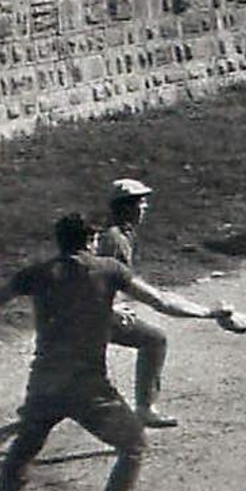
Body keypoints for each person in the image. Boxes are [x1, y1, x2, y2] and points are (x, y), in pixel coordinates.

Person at [0, 212, 246, 491]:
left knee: (22, 453)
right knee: (134, 446)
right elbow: (162, 302)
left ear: (60, 241)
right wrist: (210, 313)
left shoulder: (37, 274)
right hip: (87, 386)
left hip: (43, 382)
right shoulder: (109, 270)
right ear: (91, 240)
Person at [95, 179, 176, 429]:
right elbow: (96, 277)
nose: (144, 208)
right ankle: (145, 408)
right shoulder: (113, 239)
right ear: (125, 207)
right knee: (154, 339)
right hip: (95, 312)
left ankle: (41, 407)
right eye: (139, 203)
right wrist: (109, 308)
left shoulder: (121, 233)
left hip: (86, 311)